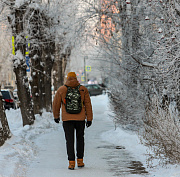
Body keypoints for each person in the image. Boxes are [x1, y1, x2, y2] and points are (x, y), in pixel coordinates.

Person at [53, 72, 93, 170]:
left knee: (69, 140)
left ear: (67, 78)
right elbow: (88, 104)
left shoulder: (62, 89)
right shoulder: (83, 89)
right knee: (80, 139)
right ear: (76, 78)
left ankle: (71, 163)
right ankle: (80, 161)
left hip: (67, 119)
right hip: (80, 119)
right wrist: (89, 119)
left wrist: (56, 116)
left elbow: (56, 104)